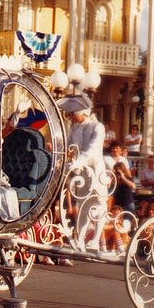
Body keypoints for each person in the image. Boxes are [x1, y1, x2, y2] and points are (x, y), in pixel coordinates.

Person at [58, 93, 108, 251]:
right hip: (80, 173)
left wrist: (79, 161)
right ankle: (79, 239)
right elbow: (70, 146)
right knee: (83, 206)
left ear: (82, 112)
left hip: (95, 171)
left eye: (73, 114)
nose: (71, 117)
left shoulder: (97, 127)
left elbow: (93, 149)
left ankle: (95, 239)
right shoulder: (74, 127)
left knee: (99, 203)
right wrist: (67, 159)